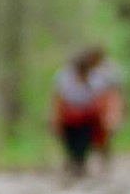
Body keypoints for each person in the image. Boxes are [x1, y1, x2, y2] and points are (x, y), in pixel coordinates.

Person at [50, 45, 123, 176]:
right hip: (70, 115)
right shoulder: (64, 77)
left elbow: (105, 97)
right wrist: (56, 117)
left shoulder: (97, 77)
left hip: (88, 115)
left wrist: (109, 115)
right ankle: (75, 161)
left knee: (86, 139)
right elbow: (58, 98)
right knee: (70, 140)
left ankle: (83, 161)